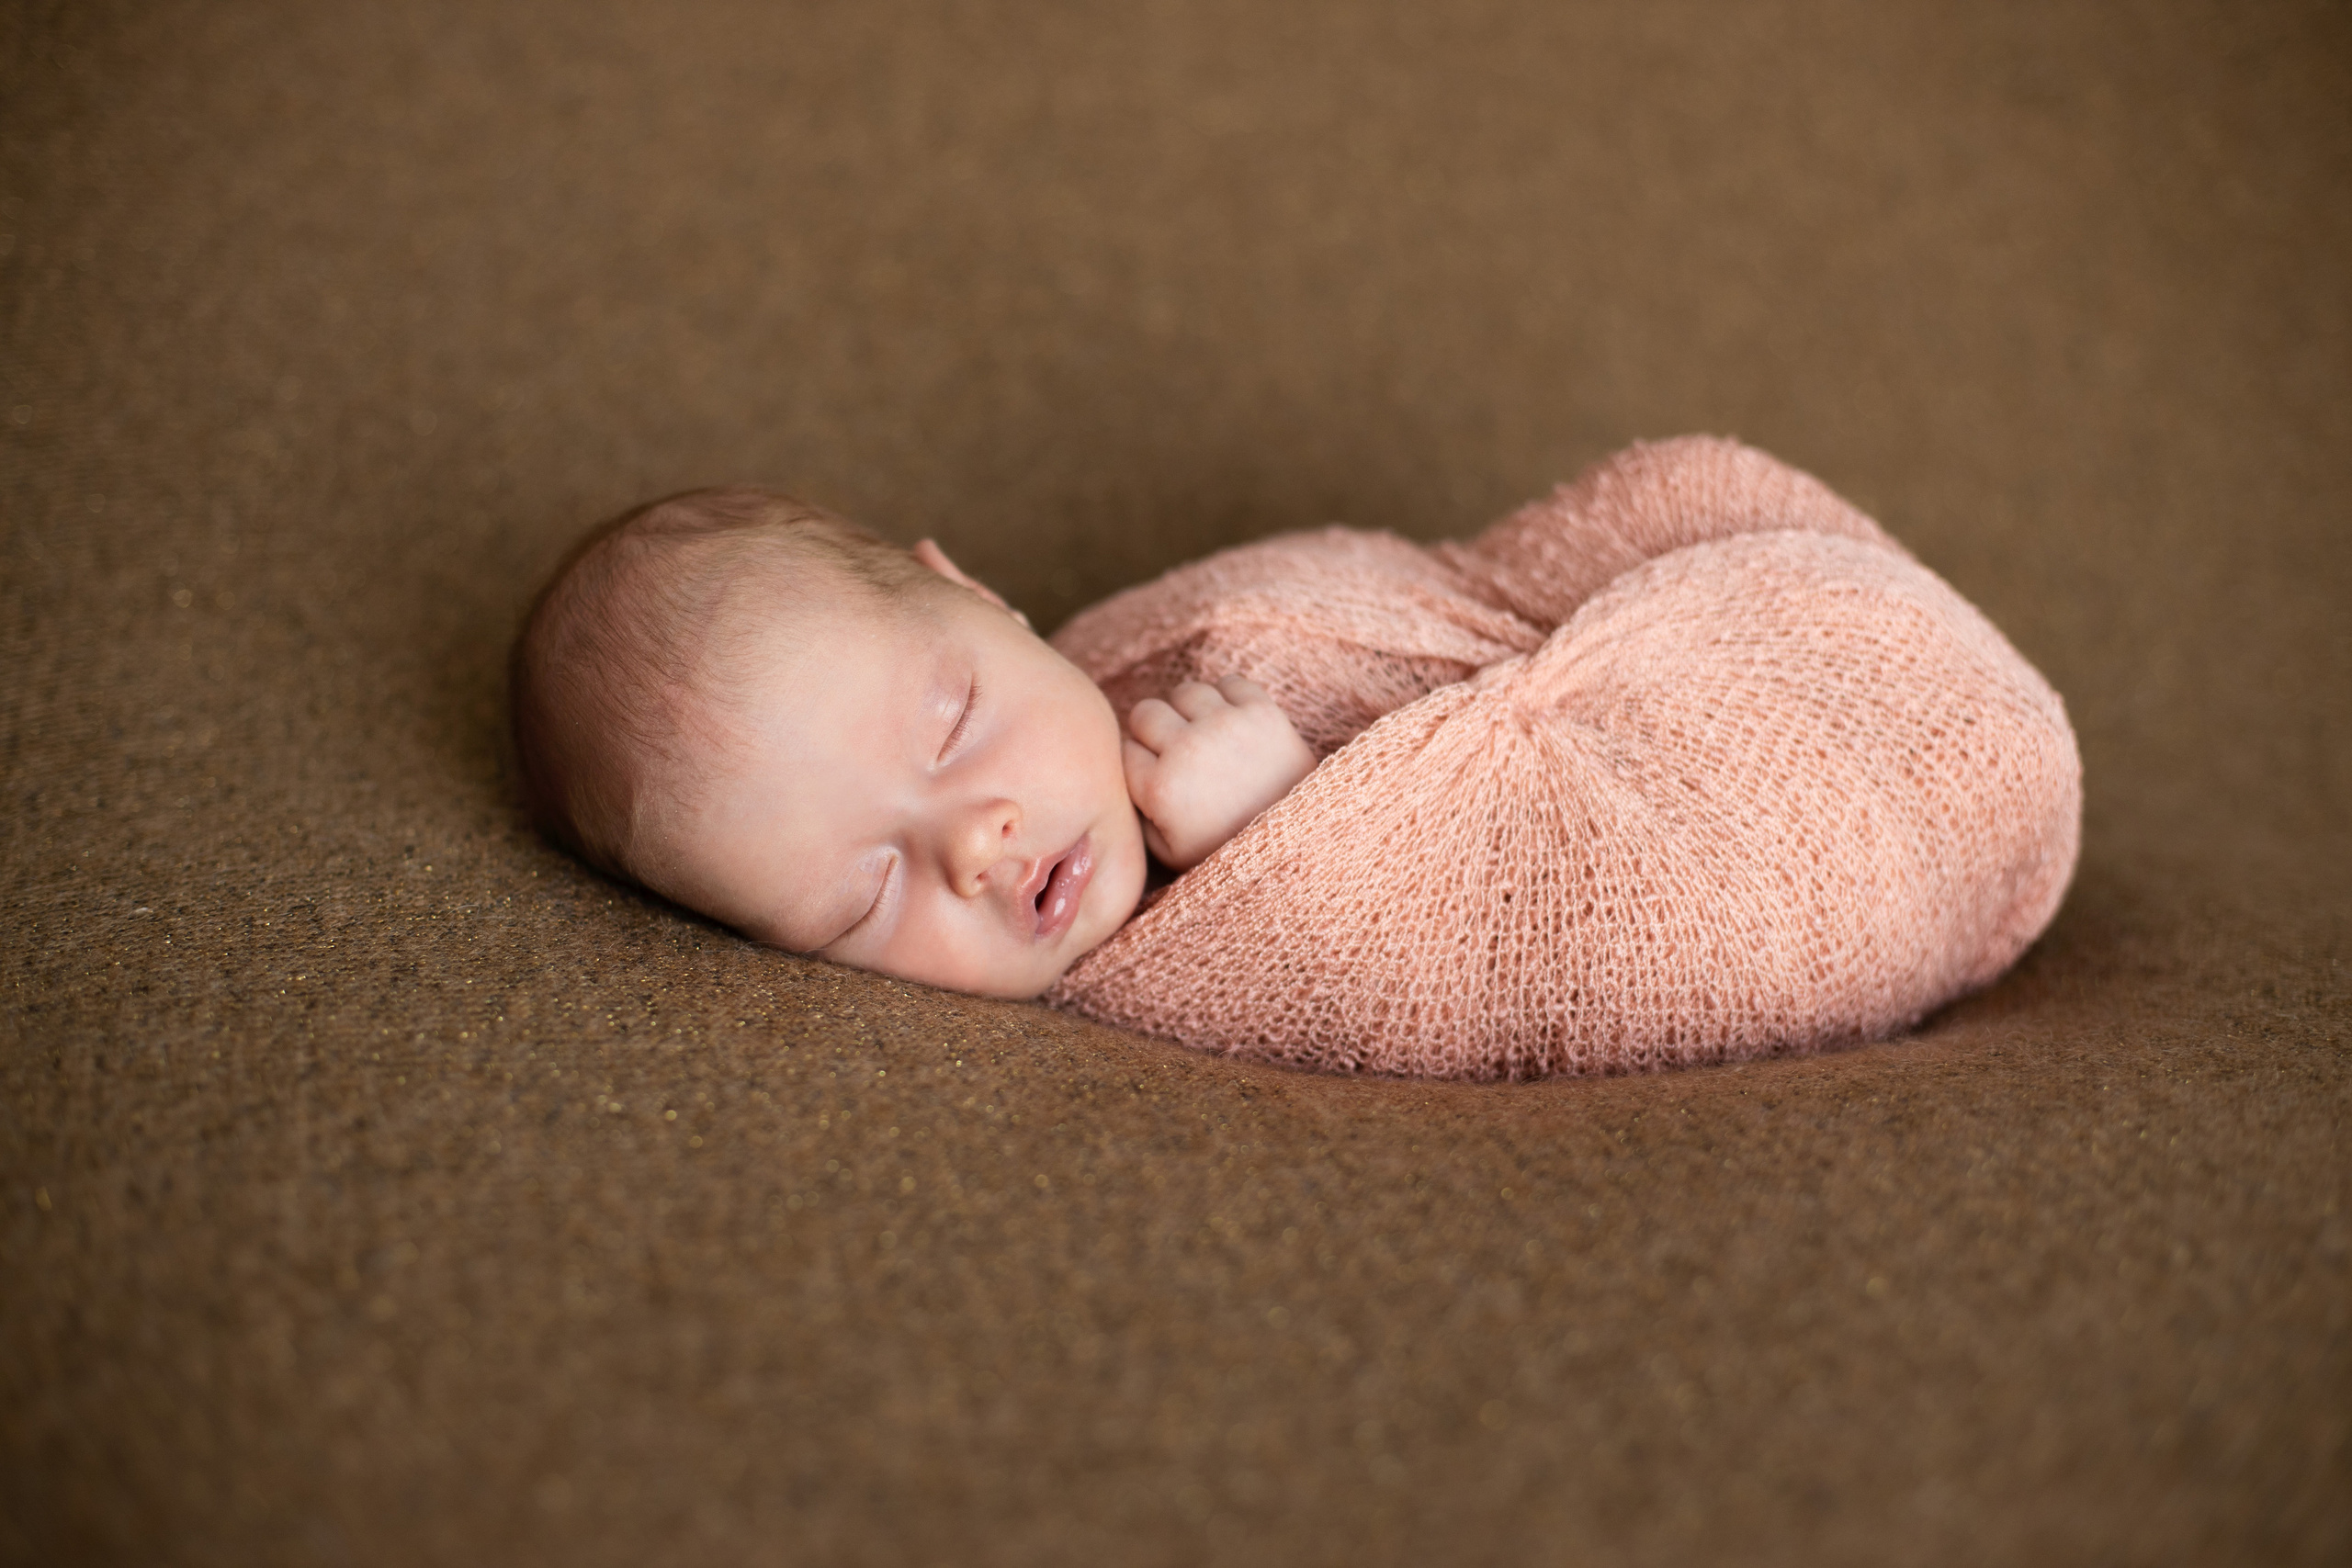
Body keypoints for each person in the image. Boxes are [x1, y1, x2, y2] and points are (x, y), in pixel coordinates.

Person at [510, 488, 1314, 999]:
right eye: (867, 899)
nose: (970, 843)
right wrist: (1290, 845)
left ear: (983, 598)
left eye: (958, 723)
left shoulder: (1228, 642)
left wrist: (1304, 796)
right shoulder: (1124, 1003)